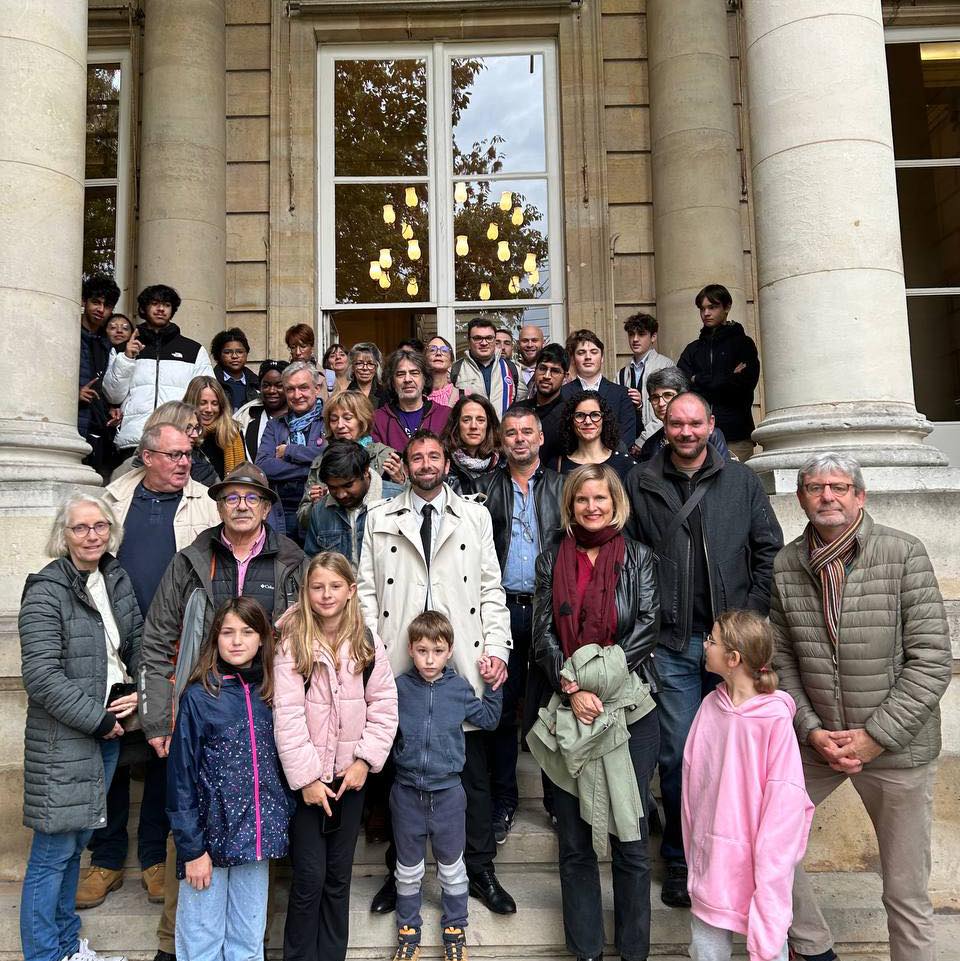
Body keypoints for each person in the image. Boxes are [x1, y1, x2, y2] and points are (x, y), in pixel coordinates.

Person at [770, 453, 951, 961]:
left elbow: (933, 660)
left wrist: (876, 736)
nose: (827, 496)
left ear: (860, 496)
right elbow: (781, 659)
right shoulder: (787, 564)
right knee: (766, 840)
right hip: (819, 741)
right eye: (815, 487)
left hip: (897, 748)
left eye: (839, 487)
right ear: (801, 497)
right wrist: (810, 731)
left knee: (906, 891)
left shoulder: (904, 553)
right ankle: (814, 947)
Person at [139, 462, 304, 961]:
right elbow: (157, 638)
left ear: (268, 507)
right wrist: (158, 715)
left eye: (252, 498)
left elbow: (305, 638)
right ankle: (177, 944)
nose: (241, 505)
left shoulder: (290, 561)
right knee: (190, 842)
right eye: (232, 497)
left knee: (253, 848)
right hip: (200, 705)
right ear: (218, 504)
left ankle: (242, 946)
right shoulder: (192, 559)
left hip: (267, 707)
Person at [624, 392, 783, 909]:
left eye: (695, 423)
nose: (686, 432)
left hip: (731, 647)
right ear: (663, 425)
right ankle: (679, 857)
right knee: (678, 756)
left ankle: (730, 856)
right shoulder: (641, 480)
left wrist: (749, 613)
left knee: (734, 756)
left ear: (711, 424)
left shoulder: (741, 481)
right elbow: (629, 558)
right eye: (676, 423)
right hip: (671, 642)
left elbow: (768, 551)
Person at [358, 429, 516, 917]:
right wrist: (372, 651)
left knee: (471, 770)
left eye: (434, 456)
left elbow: (491, 586)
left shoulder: (474, 513)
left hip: (461, 656)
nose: (426, 463)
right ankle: (397, 872)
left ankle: (481, 868)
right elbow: (364, 589)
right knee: (397, 773)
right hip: (401, 658)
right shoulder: (380, 516)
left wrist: (497, 649)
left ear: (447, 462)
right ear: (404, 464)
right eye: (416, 457)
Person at [83, 425, 218, 933]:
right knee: (112, 747)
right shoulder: (113, 497)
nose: (185, 462)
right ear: (146, 456)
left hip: (177, 648)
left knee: (166, 748)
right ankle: (107, 858)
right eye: (174, 454)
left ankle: (156, 858)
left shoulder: (205, 502)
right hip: (113, 640)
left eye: (189, 454)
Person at [530, 464, 659, 961]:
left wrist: (598, 685)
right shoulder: (550, 560)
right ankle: (586, 951)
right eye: (581, 500)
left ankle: (633, 953)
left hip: (629, 707)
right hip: (569, 708)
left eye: (599, 499)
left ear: (615, 502)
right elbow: (542, 632)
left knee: (630, 836)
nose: (591, 508)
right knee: (576, 841)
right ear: (570, 505)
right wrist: (571, 685)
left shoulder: (639, 558)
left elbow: (647, 626)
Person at [19, 493, 141, 961]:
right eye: (80, 528)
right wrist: (99, 719)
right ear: (62, 535)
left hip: (107, 730)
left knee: (75, 848)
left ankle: (68, 945)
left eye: (100, 526)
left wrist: (136, 693)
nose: (92, 536)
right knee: (52, 855)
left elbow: (134, 643)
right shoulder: (47, 589)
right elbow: (42, 677)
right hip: (65, 738)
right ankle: (45, 954)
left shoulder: (115, 577)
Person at [273, 552, 398, 961]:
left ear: (350, 591)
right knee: (308, 877)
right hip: (308, 783)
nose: (325, 595)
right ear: (306, 592)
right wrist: (307, 779)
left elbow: (383, 705)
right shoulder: (292, 641)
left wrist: (364, 761)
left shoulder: (367, 642)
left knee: (337, 878)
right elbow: (287, 714)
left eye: (334, 586)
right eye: (317, 586)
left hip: (350, 778)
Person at [682, 610, 814, 961]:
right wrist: (697, 850)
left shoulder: (773, 720)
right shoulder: (711, 707)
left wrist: (771, 870)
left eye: (711, 640)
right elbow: (693, 786)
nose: (704, 645)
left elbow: (785, 807)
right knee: (707, 950)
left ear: (733, 658)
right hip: (711, 862)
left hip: (759, 864)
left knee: (770, 949)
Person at [167, 598, 294, 961]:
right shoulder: (199, 696)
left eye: (247, 632)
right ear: (215, 638)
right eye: (228, 632)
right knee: (201, 939)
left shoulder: (272, 693)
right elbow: (181, 779)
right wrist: (192, 849)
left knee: (248, 940)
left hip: (256, 840)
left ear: (262, 639)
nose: (237, 641)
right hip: (208, 842)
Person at [471, 408, 564, 841]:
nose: (520, 439)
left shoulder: (564, 487)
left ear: (541, 438)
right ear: (500, 440)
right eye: (511, 433)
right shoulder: (484, 489)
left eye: (527, 431)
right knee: (503, 711)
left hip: (550, 607)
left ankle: (555, 799)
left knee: (551, 706)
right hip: (501, 609)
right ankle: (504, 801)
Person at [390, 611, 503, 961]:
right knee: (407, 870)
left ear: (449, 651)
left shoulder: (457, 688)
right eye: (422, 650)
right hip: (406, 792)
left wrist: (495, 686)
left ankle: (455, 928)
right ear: (410, 649)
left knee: (453, 868)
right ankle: (408, 933)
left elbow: (488, 719)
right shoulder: (399, 688)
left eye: (437, 651)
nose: (429, 659)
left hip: (449, 794)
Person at [101, 284, 214, 456]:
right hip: (135, 440)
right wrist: (127, 358)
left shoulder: (193, 350)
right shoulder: (122, 350)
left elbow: (207, 397)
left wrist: (193, 431)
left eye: (167, 305)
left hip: (178, 440)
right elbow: (113, 396)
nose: (161, 309)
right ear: (144, 308)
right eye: (155, 303)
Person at [297, 391, 405, 530]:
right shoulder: (322, 461)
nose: (340, 425)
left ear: (362, 420)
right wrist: (315, 505)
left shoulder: (385, 456)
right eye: (334, 419)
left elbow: (410, 508)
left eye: (347, 418)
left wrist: (400, 481)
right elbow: (303, 520)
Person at [677, 284, 760, 464]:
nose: (706, 313)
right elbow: (681, 389)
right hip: (698, 436)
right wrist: (726, 377)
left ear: (727, 307)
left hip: (736, 435)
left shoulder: (743, 344)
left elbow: (743, 386)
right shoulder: (693, 350)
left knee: (736, 487)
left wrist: (697, 379)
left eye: (712, 307)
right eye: (702, 309)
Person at [256, 361, 327, 543]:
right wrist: (312, 466)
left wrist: (290, 451)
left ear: (316, 389)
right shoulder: (275, 425)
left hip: (318, 504)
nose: (297, 395)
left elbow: (330, 457)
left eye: (303, 388)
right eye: (290, 389)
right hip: (281, 508)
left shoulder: (329, 419)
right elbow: (263, 465)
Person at [303, 441, 402, 562]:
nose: (341, 494)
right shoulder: (320, 511)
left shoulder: (398, 500)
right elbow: (312, 561)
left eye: (348, 485)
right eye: (333, 488)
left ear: (365, 472)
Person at [110, 401, 218, 489]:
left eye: (196, 428)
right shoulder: (130, 469)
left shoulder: (204, 468)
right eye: (188, 428)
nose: (195, 435)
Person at [636, 367, 729, 464]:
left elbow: (725, 474)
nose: (661, 403)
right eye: (655, 397)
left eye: (668, 395)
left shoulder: (710, 435)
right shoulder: (650, 445)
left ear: (684, 396)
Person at [561, 330, 634, 449]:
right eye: (581, 352)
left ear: (602, 358)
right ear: (573, 359)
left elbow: (626, 438)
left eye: (594, 352)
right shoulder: (562, 394)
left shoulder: (622, 394)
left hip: (613, 464)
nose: (588, 357)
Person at [79, 274, 121, 477]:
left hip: (99, 429)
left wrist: (113, 407)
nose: (100, 310)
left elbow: (110, 383)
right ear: (84, 301)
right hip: (74, 423)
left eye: (107, 306)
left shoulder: (107, 343)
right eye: (96, 302)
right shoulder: (69, 333)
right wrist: (74, 394)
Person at [372, 348, 452, 454]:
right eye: (400, 374)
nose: (407, 379)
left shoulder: (445, 415)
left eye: (414, 373)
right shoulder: (378, 419)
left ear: (425, 379)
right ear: (392, 381)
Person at [616, 313, 674, 452]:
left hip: (658, 443)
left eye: (641, 334)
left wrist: (641, 441)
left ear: (653, 337)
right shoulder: (622, 373)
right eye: (631, 334)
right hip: (629, 445)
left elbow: (668, 410)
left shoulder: (665, 366)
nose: (635, 339)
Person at [554, 390, 636, 484]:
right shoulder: (558, 465)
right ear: (571, 421)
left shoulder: (625, 464)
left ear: (604, 419)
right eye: (580, 415)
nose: (588, 421)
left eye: (595, 415)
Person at [450, 319, 526, 414]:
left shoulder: (512, 369)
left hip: (503, 428)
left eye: (489, 338)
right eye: (477, 338)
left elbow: (521, 407)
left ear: (494, 340)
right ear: (469, 341)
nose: (484, 343)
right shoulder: (456, 369)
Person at [183, 375, 246, 481]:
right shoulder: (178, 432)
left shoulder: (232, 432)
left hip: (225, 494)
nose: (209, 409)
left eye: (214, 403)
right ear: (191, 403)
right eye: (202, 403)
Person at [516, 342, 569, 464]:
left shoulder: (569, 414)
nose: (546, 376)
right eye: (542, 368)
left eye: (555, 371)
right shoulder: (517, 410)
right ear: (535, 370)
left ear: (565, 377)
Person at [440, 394, 502, 492]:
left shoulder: (504, 463)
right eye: (466, 420)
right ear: (457, 424)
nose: (473, 426)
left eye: (480, 420)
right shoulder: (443, 463)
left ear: (489, 425)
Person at [235, 359, 288, 462]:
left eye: (279, 385)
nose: (272, 390)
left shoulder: (299, 416)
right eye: (266, 385)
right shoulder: (246, 415)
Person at [211, 327, 260, 413]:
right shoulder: (211, 382)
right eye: (227, 352)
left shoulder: (256, 383)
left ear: (246, 354)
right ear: (218, 355)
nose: (234, 356)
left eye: (240, 352)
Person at [347, 342, 388, 409]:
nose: (365, 368)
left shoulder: (386, 395)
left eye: (370, 364)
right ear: (352, 368)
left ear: (376, 368)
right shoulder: (345, 396)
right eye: (359, 363)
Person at [425, 335, 460, 408]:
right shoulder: (418, 395)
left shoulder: (462, 394)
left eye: (444, 350)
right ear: (424, 359)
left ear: (451, 361)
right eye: (432, 350)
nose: (438, 353)